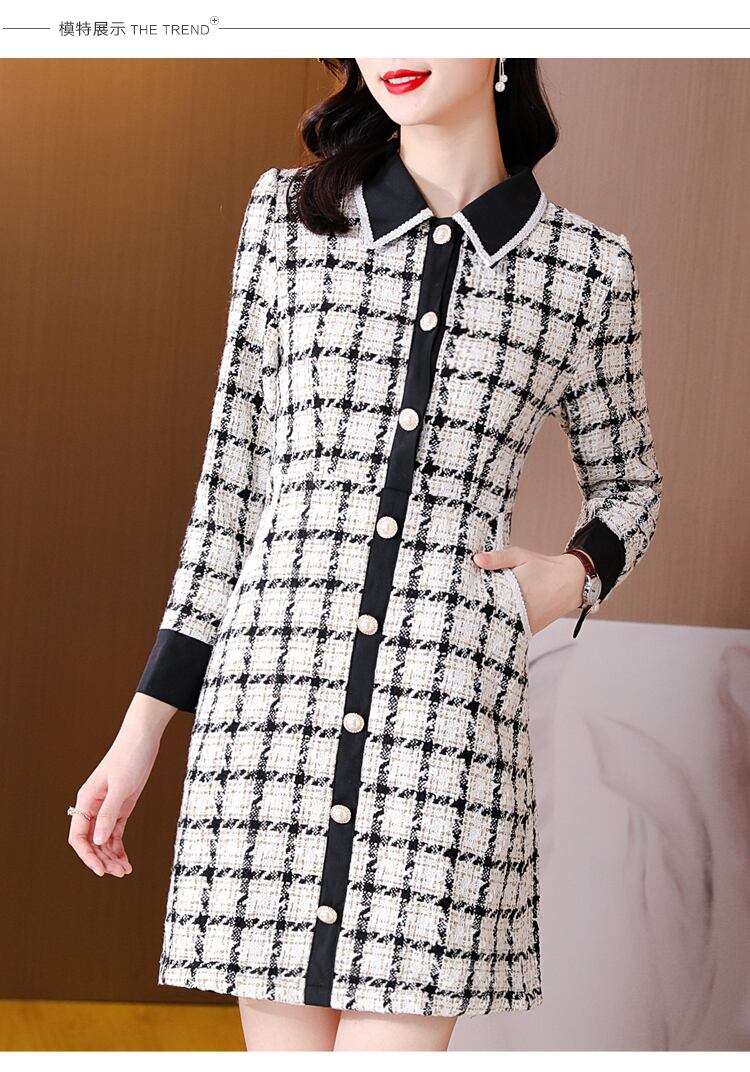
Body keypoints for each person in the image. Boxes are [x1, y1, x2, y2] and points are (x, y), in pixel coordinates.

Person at [67, 58, 662, 1052]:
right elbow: (230, 496)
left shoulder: (585, 269)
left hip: (446, 731)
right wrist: (140, 736)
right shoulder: (288, 219)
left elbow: (632, 484)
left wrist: (571, 578)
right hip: (269, 730)